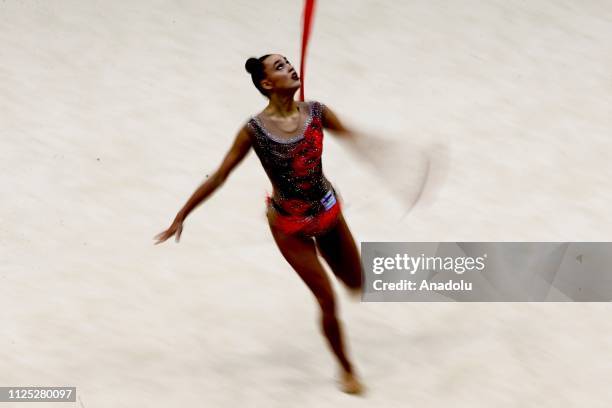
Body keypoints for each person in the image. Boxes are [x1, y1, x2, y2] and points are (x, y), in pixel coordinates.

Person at [154, 54, 365, 394]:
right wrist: (182, 214)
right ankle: (347, 370)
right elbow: (221, 174)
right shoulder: (254, 131)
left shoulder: (317, 112)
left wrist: (393, 156)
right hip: (288, 224)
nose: (290, 67)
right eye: (280, 67)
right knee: (327, 299)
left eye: (288, 62)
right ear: (267, 84)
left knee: (357, 283)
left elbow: (356, 138)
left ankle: (348, 310)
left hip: (327, 211)